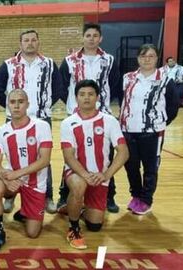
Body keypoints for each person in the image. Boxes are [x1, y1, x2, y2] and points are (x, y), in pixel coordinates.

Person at [0, 29, 62, 214]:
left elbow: (58, 89)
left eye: (33, 40)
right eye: (26, 40)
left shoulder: (49, 64)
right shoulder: (8, 64)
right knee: (13, 158)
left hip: (41, 118)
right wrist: (10, 108)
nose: (30, 43)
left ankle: (47, 197)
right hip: (14, 119)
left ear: (38, 42)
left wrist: (42, 104)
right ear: (20, 43)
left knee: (42, 161)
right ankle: (10, 196)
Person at [58, 23, 122, 213]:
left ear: (100, 38)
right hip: (76, 116)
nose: (92, 38)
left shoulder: (109, 60)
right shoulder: (69, 60)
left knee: (105, 157)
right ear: (83, 37)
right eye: (88, 35)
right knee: (70, 158)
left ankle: (109, 195)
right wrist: (72, 105)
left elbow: (115, 84)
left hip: (101, 116)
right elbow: (62, 86)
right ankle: (65, 195)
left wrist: (103, 105)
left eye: (95, 35)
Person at [61, 79, 129, 249]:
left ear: (97, 97)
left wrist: (105, 175)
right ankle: (73, 228)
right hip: (76, 173)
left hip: (100, 177)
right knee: (78, 185)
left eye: (91, 94)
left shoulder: (109, 121)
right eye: (82, 94)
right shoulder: (68, 123)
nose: (86, 98)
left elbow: (123, 152)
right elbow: (69, 157)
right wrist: (85, 175)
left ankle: (75, 207)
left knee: (95, 226)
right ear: (76, 97)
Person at [0, 89, 52, 253]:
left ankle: (24, 212)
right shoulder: (2, 130)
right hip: (12, 179)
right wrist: (6, 178)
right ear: (8, 105)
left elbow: (44, 161)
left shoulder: (41, 126)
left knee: (32, 233)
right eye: (12, 102)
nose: (16, 106)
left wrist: (17, 174)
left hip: (35, 182)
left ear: (27, 104)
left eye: (20, 102)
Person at [119, 44, 179, 215]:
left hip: (152, 132)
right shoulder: (128, 78)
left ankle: (146, 200)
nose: (147, 59)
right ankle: (136, 195)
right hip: (128, 130)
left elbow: (173, 107)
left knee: (150, 168)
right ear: (138, 58)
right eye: (143, 56)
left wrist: (157, 122)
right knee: (131, 165)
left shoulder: (165, 79)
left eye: (151, 56)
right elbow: (123, 100)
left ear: (157, 58)